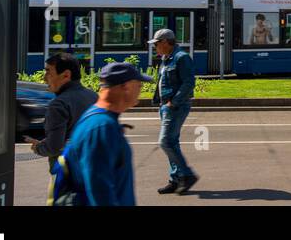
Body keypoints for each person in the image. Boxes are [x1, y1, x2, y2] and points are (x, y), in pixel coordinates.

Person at [59, 62, 148, 206]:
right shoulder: (101, 127)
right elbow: (100, 192)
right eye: (139, 84)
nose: (141, 88)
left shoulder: (99, 119)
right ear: (126, 86)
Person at [32, 52, 98, 173]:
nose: (44, 78)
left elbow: (54, 147)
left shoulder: (59, 104)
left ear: (66, 75)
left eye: (48, 72)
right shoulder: (94, 96)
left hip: (69, 175)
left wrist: (38, 147)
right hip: (94, 169)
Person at [152, 28, 199, 195]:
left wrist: (173, 103)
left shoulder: (181, 58)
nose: (155, 47)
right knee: (172, 143)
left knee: (165, 142)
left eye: (156, 44)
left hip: (176, 107)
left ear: (165, 42)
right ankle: (176, 179)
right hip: (166, 106)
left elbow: (189, 83)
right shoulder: (166, 58)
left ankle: (187, 175)